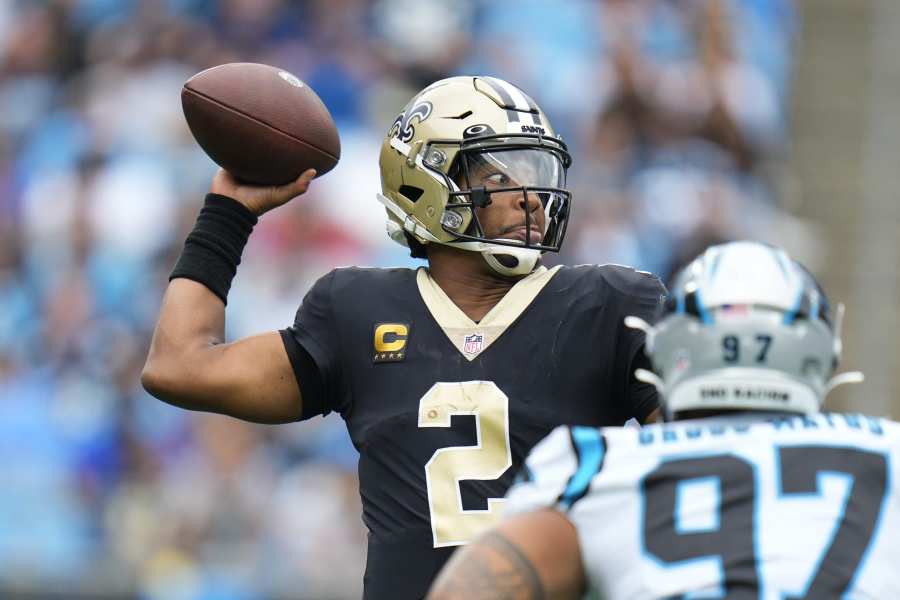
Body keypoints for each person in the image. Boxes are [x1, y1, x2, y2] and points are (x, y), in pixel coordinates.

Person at [141, 76, 665, 599]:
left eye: (536, 172)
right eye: (501, 175)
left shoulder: (612, 305)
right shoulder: (354, 310)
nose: (530, 198)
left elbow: (707, 460)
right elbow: (179, 367)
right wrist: (227, 213)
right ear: (426, 183)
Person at [428, 241, 898, 600]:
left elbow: (474, 587)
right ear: (819, 353)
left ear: (668, 349)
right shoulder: (889, 451)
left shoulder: (594, 463)